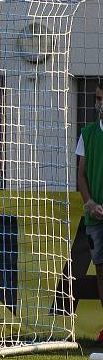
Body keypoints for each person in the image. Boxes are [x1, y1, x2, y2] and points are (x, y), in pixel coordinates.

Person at [76, 80, 103, 343]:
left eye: (101, 98)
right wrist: (90, 202)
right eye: (96, 98)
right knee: (101, 270)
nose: (98, 104)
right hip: (94, 216)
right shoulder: (88, 133)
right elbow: (81, 174)